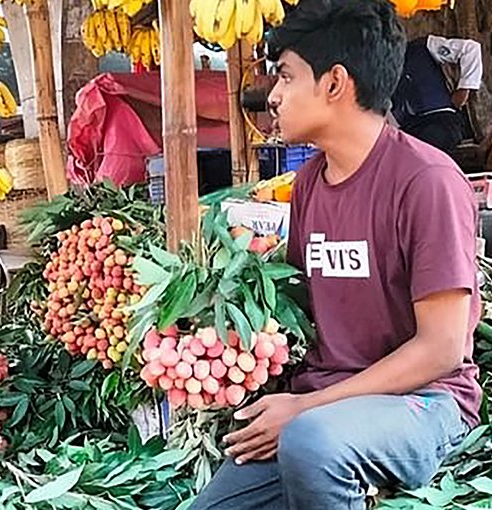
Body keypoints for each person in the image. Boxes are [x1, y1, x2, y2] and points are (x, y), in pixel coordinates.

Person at [190, 0, 479, 508]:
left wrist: (305, 407)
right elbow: (300, 309)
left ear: (334, 82)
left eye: (285, 78)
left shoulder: (426, 181)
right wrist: (216, 326)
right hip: (325, 403)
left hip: (423, 402)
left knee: (312, 441)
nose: (273, 97)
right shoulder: (308, 184)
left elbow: (442, 348)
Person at [391, 35, 483, 154]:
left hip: (440, 120)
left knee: (421, 148)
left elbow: (470, 49)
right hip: (408, 128)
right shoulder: (377, 70)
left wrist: (464, 88)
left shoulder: (424, 46)